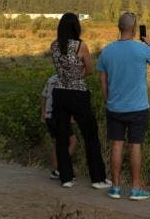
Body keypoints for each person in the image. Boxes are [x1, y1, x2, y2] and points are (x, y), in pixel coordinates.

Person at [97, 12, 150, 201]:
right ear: (134, 29)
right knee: (135, 146)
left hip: (115, 107)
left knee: (116, 145)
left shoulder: (107, 50)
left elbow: (102, 78)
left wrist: (108, 99)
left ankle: (116, 187)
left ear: (119, 28)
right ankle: (135, 188)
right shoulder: (142, 49)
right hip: (138, 108)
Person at [49, 12, 110, 189]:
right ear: (77, 27)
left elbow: (59, 69)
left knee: (61, 136)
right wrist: (76, 77)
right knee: (90, 135)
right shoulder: (80, 46)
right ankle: (98, 179)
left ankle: (66, 178)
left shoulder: (54, 45)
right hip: (78, 93)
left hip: (59, 92)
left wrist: (66, 78)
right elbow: (89, 69)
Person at [40, 74, 77, 180]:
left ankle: (56, 171)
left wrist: (43, 113)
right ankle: (63, 168)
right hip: (59, 116)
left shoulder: (51, 78)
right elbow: (70, 100)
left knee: (56, 144)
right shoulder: (70, 79)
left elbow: (43, 96)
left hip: (49, 116)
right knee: (72, 141)